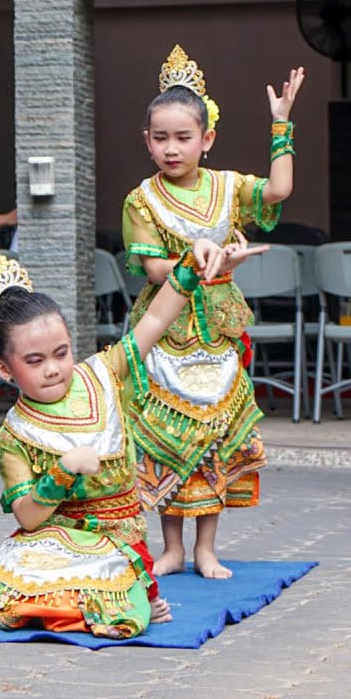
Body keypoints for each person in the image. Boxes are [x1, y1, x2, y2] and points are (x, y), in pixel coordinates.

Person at [0, 237, 264, 638]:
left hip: (116, 538)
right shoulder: (14, 433)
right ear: (6, 371)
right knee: (7, 593)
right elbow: (27, 515)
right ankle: (120, 602)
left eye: (61, 353)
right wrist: (63, 472)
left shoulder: (103, 374)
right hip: (53, 537)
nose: (53, 369)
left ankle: (126, 596)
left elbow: (156, 321)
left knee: (100, 591)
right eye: (35, 361)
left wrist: (189, 270)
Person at [122, 46, 303, 579]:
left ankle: (206, 548)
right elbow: (155, 271)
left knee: (215, 439)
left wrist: (281, 126)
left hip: (217, 334)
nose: (172, 148)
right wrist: (199, 259)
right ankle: (172, 547)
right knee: (166, 438)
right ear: (147, 141)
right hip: (165, 330)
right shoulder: (142, 199)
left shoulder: (228, 188)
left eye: (183, 137)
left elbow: (279, 189)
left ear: (207, 138)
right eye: (161, 138)